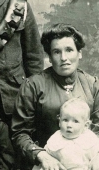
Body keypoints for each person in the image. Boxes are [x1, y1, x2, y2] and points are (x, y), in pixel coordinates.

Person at [11, 23, 99, 170]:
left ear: (79, 53)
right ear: (50, 57)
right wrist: (42, 156)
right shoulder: (33, 86)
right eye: (56, 52)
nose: (64, 58)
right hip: (47, 163)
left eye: (69, 50)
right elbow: (20, 133)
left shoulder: (92, 85)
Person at [33, 98, 99, 170]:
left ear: (86, 125)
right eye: (65, 120)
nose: (69, 125)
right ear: (59, 122)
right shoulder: (55, 139)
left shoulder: (90, 138)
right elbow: (45, 160)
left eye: (75, 121)